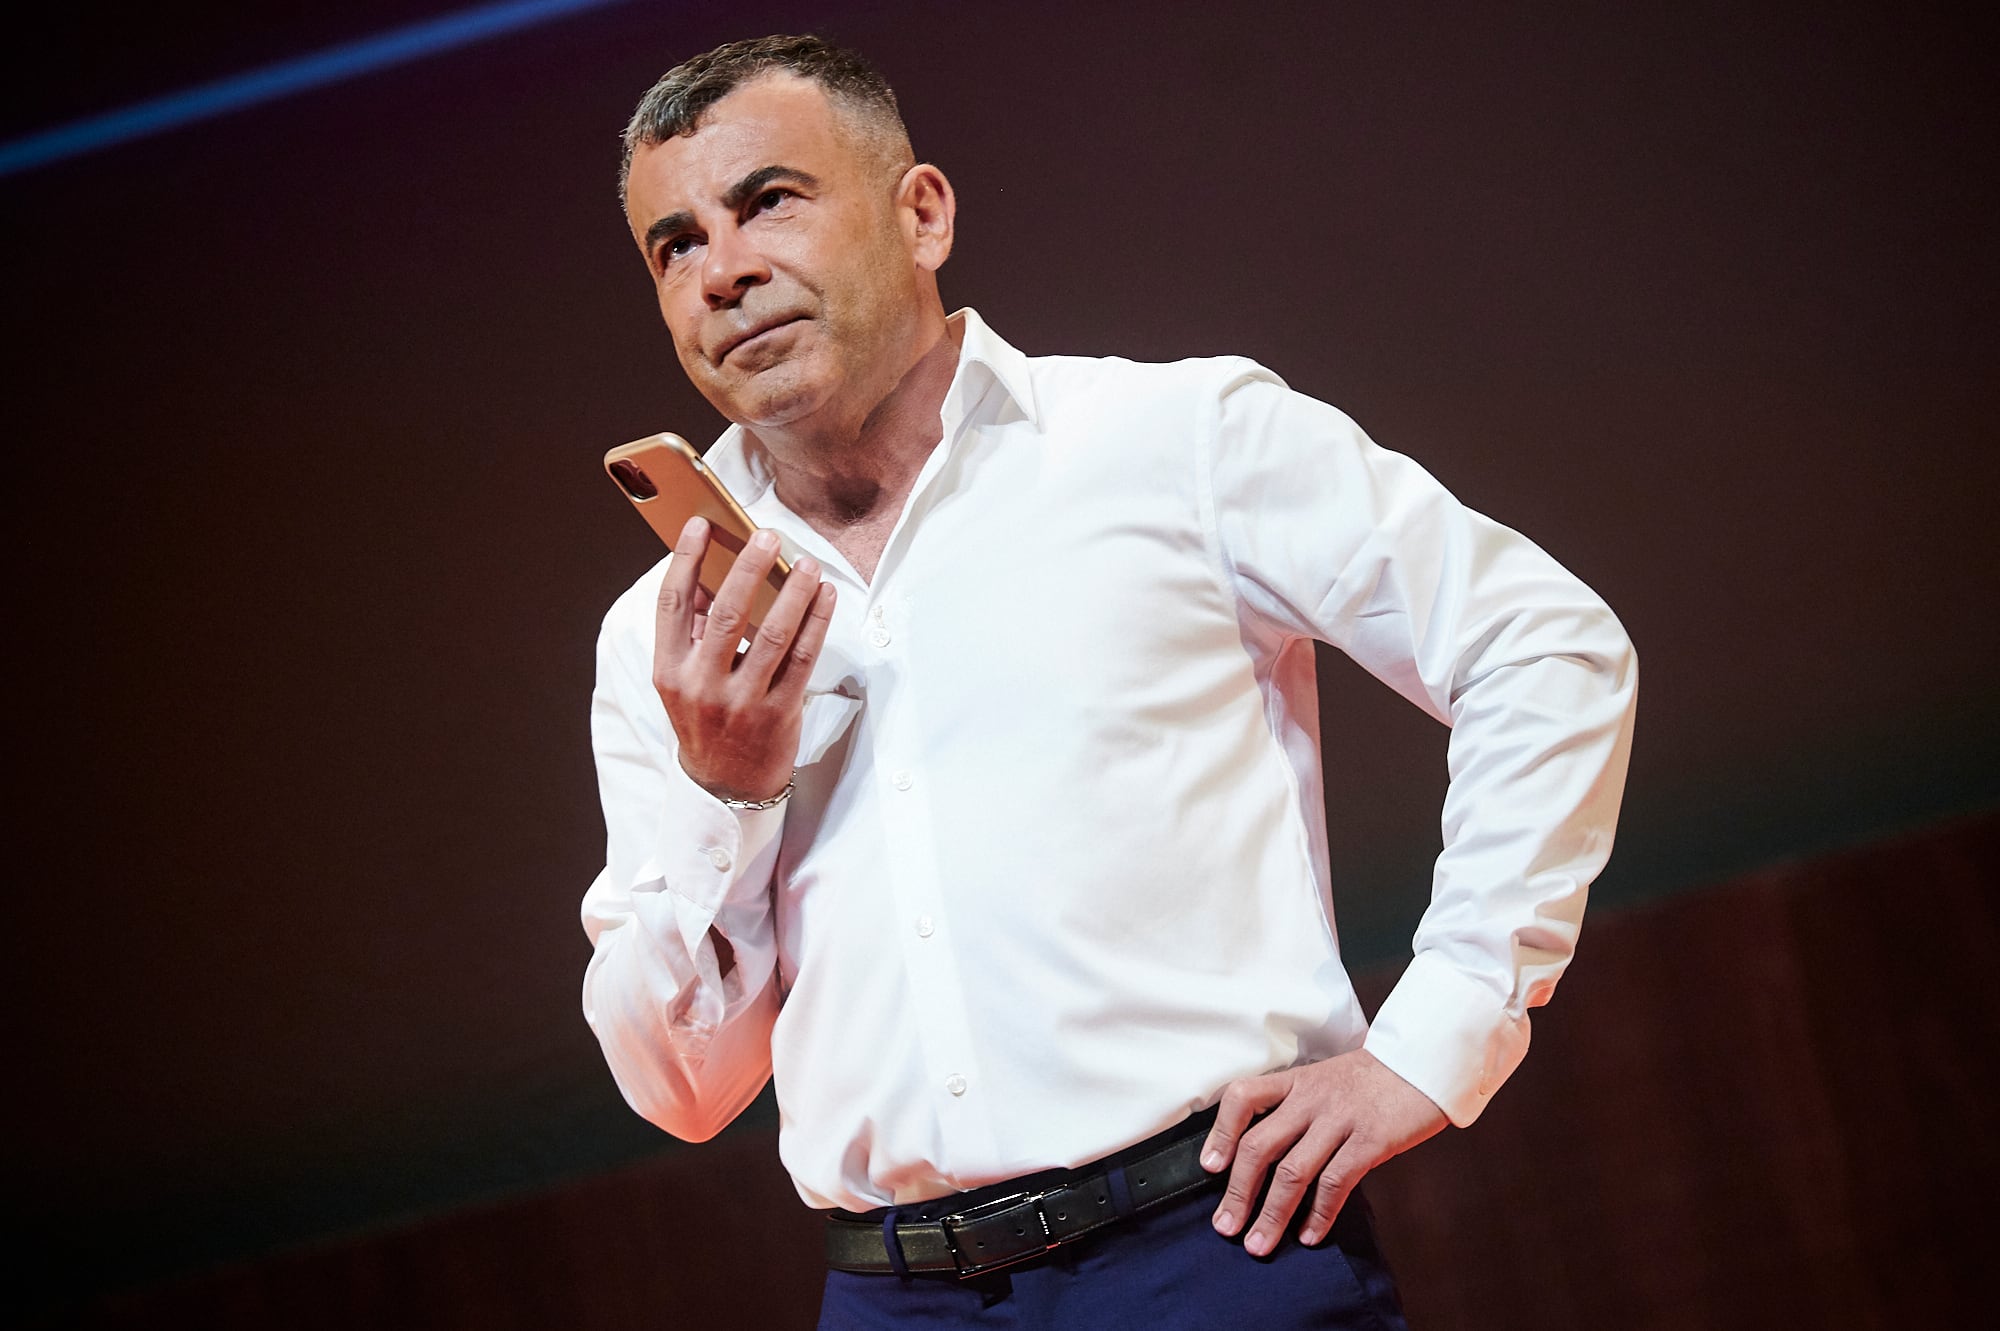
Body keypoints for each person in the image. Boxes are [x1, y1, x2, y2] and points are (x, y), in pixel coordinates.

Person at [580, 33, 1636, 1329]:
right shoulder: (663, 634)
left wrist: (1438, 1042)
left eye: (769, 203)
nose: (723, 272)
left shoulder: (1175, 444)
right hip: (891, 1295)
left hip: (1211, 1249)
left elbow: (1543, 646)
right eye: (674, 245)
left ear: (922, 214)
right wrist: (725, 796)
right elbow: (681, 1091)